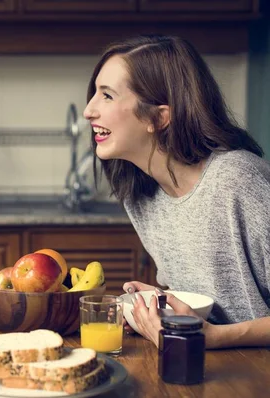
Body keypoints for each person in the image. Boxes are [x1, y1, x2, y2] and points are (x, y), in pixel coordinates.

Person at [83, 35, 270, 349]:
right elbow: (204, 305)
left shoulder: (238, 181)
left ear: (159, 117)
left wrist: (214, 337)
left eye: (107, 96)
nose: (89, 111)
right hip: (206, 369)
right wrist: (164, 304)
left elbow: (211, 332)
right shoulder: (141, 195)